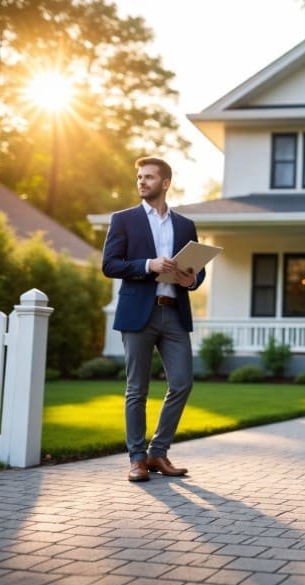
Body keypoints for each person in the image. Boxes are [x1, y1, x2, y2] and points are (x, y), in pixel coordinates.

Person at [102, 156, 206, 482]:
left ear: (165, 183)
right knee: (137, 390)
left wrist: (192, 280)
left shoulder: (186, 225)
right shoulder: (123, 220)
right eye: (139, 177)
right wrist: (149, 265)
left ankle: (158, 452)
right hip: (138, 313)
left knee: (182, 383)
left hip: (174, 312)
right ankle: (136, 459)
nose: (141, 182)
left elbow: (196, 272)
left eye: (148, 177)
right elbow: (111, 265)